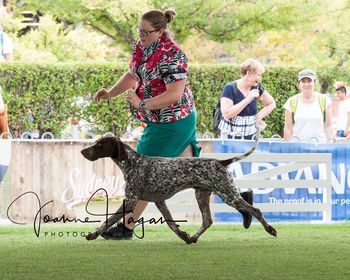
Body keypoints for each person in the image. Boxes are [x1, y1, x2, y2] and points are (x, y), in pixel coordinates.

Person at [93, 9, 203, 240]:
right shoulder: (141, 47)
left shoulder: (173, 55)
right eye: (139, 31)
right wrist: (111, 93)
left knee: (141, 174)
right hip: (159, 120)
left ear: (161, 32)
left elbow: (174, 94)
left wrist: (142, 103)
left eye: (146, 32)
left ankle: (126, 227)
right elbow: (133, 75)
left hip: (174, 121)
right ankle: (242, 195)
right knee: (194, 172)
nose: (141, 36)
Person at [218, 58, 275, 228]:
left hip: (249, 134)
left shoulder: (258, 88)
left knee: (246, 171)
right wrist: (249, 98)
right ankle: (243, 205)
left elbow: (271, 103)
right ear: (249, 73)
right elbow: (227, 113)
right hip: (230, 135)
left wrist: (258, 117)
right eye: (258, 74)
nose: (260, 78)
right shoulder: (230, 88)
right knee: (228, 174)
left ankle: (246, 204)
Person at [283, 69, 332, 142]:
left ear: (314, 82)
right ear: (299, 84)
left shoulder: (324, 100)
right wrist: (286, 148)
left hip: (319, 146)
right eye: (303, 81)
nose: (306, 84)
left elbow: (328, 126)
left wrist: (330, 144)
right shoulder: (291, 101)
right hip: (298, 147)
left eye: (309, 81)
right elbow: (288, 128)